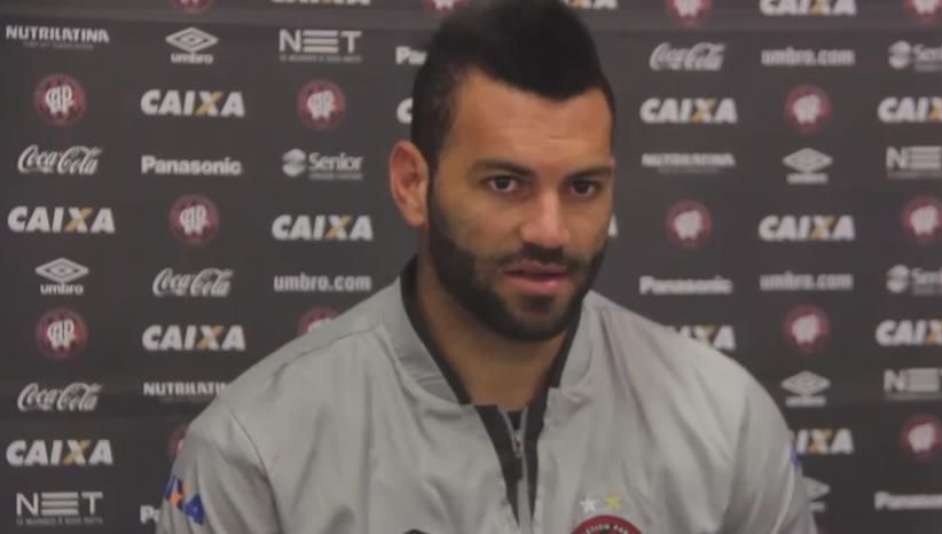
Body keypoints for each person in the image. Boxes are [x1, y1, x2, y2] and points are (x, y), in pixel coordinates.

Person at [156, 1, 817, 533]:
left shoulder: (724, 423)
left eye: (583, 187)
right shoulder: (257, 450)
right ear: (413, 184)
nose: (550, 230)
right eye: (505, 184)